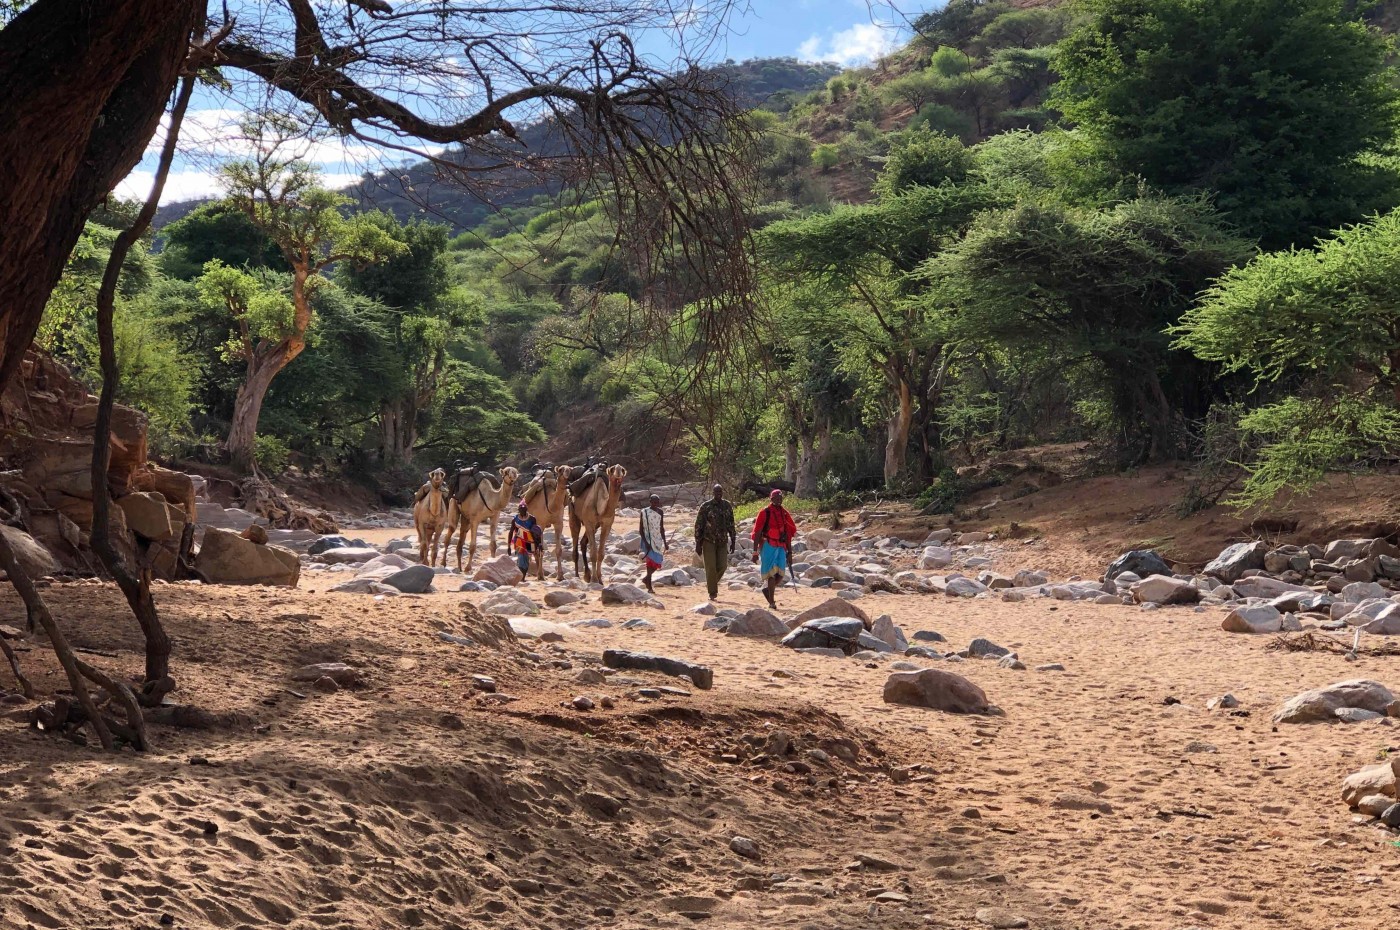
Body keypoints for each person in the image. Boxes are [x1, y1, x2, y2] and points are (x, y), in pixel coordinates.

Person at [751, 488, 796, 609]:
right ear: (771, 499)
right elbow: (757, 532)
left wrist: (790, 552)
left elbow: (788, 533)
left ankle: (767, 590)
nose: (779, 500)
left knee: (780, 574)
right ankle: (772, 602)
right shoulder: (765, 512)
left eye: (780, 498)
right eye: (776, 498)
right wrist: (755, 552)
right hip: (768, 545)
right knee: (770, 574)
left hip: (781, 546)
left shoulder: (784, 513)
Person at [694, 483, 736, 600]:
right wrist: (698, 543)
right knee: (711, 567)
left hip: (722, 541)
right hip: (708, 540)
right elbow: (699, 525)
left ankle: (711, 583)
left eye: (720, 492)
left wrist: (733, 540)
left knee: (722, 566)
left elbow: (731, 524)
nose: (718, 494)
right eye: (716, 492)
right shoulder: (706, 506)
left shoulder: (727, 506)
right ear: (713, 493)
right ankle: (712, 592)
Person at [639, 494, 669, 593]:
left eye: (657, 502)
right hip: (648, 539)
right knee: (649, 562)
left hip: (657, 540)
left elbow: (661, 527)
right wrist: (645, 541)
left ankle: (646, 578)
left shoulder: (660, 512)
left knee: (658, 561)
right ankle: (649, 586)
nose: (655, 504)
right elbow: (641, 529)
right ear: (650, 501)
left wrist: (665, 542)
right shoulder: (644, 512)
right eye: (653, 502)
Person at [507, 502, 541, 576]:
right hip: (518, 541)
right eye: (521, 509)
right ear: (518, 510)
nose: (522, 510)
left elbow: (536, 532)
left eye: (524, 509)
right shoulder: (515, 519)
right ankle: (522, 576)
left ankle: (523, 575)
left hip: (530, 542)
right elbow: (511, 532)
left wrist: (539, 544)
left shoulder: (532, 519)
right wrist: (508, 546)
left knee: (526, 559)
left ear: (526, 509)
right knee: (521, 557)